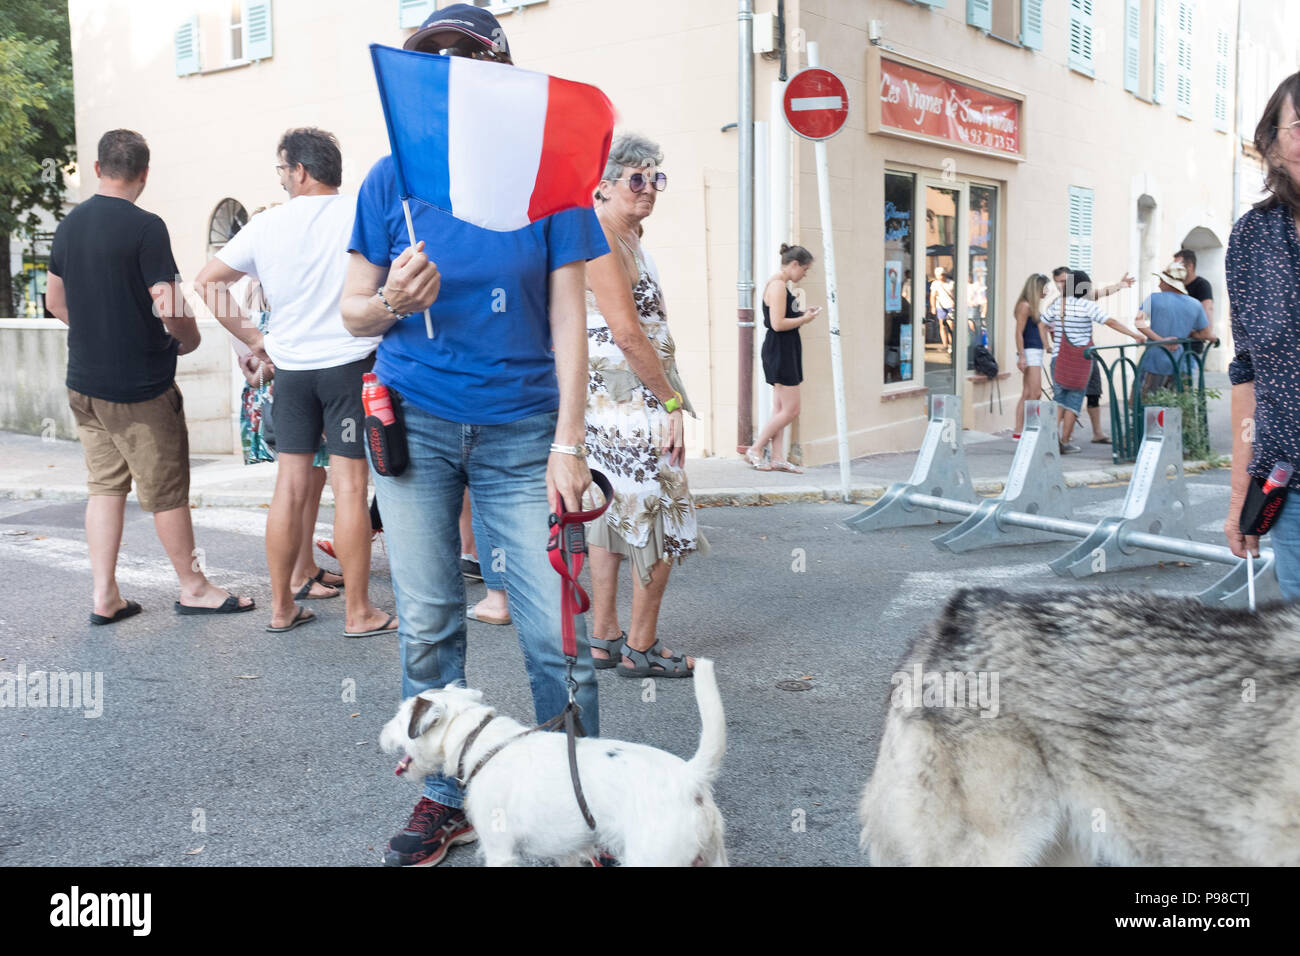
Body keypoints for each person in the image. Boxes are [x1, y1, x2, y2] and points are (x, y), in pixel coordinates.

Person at [340, 4, 607, 866]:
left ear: (499, 71)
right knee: (426, 624)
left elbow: (571, 314)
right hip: (415, 421)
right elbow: (351, 312)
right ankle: (447, 795)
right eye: (432, 59)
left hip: (526, 431)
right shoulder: (392, 178)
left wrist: (572, 437)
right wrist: (391, 305)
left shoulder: (549, 172)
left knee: (553, 632)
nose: (447, 71)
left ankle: (582, 799)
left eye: (465, 57)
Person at [44, 129, 254, 623]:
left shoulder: (69, 225)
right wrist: (188, 338)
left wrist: (100, 329)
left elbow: (55, 301)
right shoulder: (146, 227)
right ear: (144, 173)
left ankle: (105, 595)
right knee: (166, 490)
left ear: (97, 169)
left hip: (84, 383)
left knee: (105, 487)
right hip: (138, 387)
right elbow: (169, 302)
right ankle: (193, 586)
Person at [195, 127, 396, 637]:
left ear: (300, 171)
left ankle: (281, 608)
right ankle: (358, 612)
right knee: (351, 488)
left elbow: (206, 283)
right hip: (351, 364)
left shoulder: (267, 226)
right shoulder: (360, 210)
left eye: (282, 169)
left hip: (292, 372)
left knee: (288, 487)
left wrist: (255, 342)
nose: (282, 178)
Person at [582, 132, 708, 678]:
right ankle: (640, 644)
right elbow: (630, 337)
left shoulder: (627, 238)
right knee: (659, 518)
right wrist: (672, 401)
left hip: (614, 402)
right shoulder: (604, 241)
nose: (649, 187)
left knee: (614, 515)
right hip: (633, 403)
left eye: (655, 177)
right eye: (636, 177)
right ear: (603, 187)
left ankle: (605, 638)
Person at [1225, 71, 1300, 599]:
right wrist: (1240, 499)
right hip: (1291, 490)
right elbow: (1248, 374)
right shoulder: (1253, 237)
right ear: (1271, 144)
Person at [230, 273, 340, 602]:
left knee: (309, 479)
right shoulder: (274, 285)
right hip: (289, 392)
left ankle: (305, 565)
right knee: (300, 482)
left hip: (272, 390)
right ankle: (297, 575)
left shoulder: (248, 287)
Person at [1041, 269, 1145, 454]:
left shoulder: (1059, 306)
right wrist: (1134, 335)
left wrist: (1047, 345)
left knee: (1058, 400)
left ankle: (1050, 439)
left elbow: (1042, 323)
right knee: (1073, 402)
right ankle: (1064, 442)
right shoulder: (1087, 306)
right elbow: (1111, 322)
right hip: (1080, 361)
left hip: (1058, 358)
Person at [743, 244, 821, 473]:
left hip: (783, 348)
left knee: (780, 408)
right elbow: (777, 324)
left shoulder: (780, 286)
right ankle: (756, 448)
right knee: (791, 410)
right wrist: (804, 320)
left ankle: (777, 456)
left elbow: (783, 318)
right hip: (781, 349)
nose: (804, 275)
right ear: (794, 264)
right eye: (805, 269)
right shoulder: (777, 286)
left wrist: (802, 314)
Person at [1133, 261, 1215, 398]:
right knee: (1174, 406)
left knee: (1143, 405)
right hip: (1179, 361)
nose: (1159, 284)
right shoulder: (1195, 304)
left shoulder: (1154, 298)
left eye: (1161, 281)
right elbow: (1206, 333)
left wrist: (1161, 340)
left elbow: (1139, 322)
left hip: (1154, 359)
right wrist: (1187, 332)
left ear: (1168, 283)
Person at [1011, 273, 1052, 438]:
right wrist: (1022, 356)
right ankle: (1027, 428)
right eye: (1044, 288)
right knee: (1034, 393)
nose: (1047, 291)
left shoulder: (1034, 307)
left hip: (1035, 351)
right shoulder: (1025, 306)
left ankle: (1019, 431)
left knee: (1028, 392)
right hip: (1029, 352)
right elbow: (1019, 333)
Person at [1172, 248, 1214, 353]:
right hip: (1171, 345)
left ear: (1190, 266)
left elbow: (1207, 310)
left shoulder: (1201, 285)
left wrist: (1200, 333)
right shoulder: (1175, 286)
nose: (1174, 269)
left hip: (1190, 348)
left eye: (1178, 266)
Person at [930, 265, 955, 348]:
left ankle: (952, 344)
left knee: (951, 324)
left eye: (941, 274)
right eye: (939, 274)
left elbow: (956, 294)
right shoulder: (935, 284)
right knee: (942, 325)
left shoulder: (951, 283)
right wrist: (933, 307)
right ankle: (945, 344)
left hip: (951, 306)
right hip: (940, 306)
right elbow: (932, 296)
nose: (940, 276)